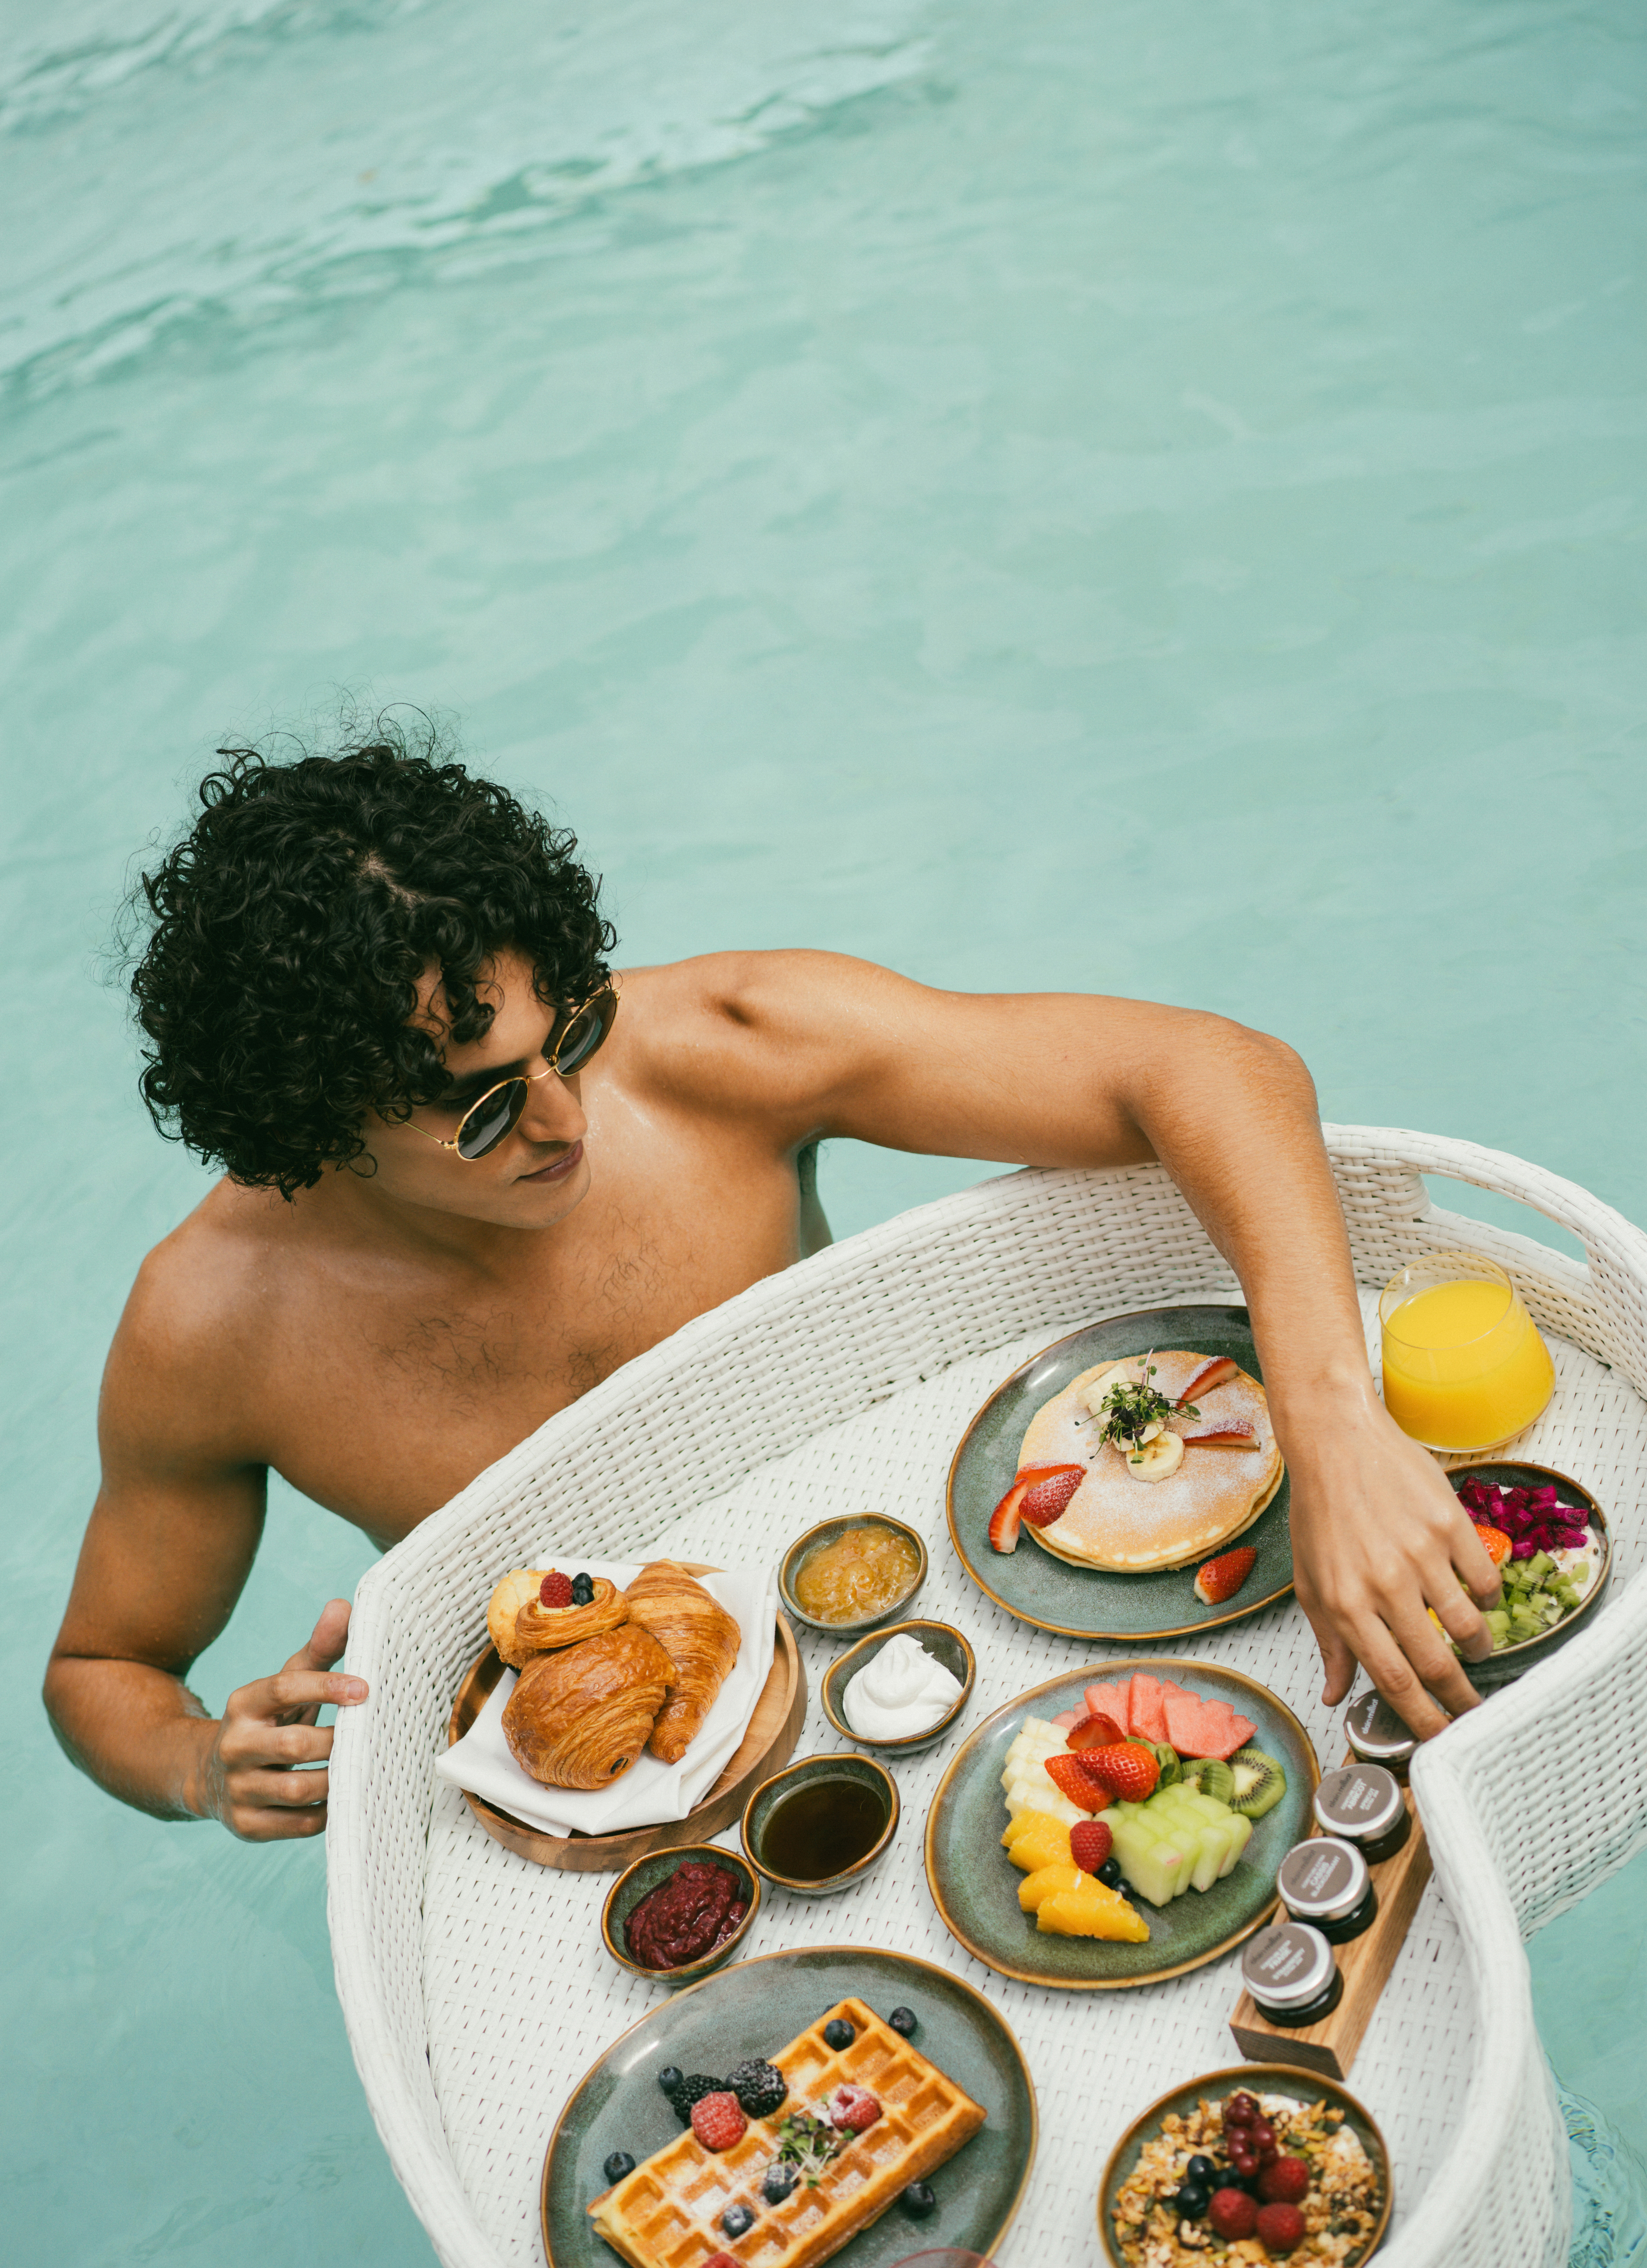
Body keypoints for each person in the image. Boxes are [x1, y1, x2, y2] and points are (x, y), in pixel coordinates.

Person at [44, 732, 1501, 1840]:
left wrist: (1332, 1416)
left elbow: (1211, 1070)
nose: (566, 1119)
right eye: (483, 1109)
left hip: (914, 1600)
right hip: (631, 1801)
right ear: (311, 1134)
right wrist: (193, 1760)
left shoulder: (719, 1047)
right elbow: (105, 1662)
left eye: (574, 1033)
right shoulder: (212, 1326)